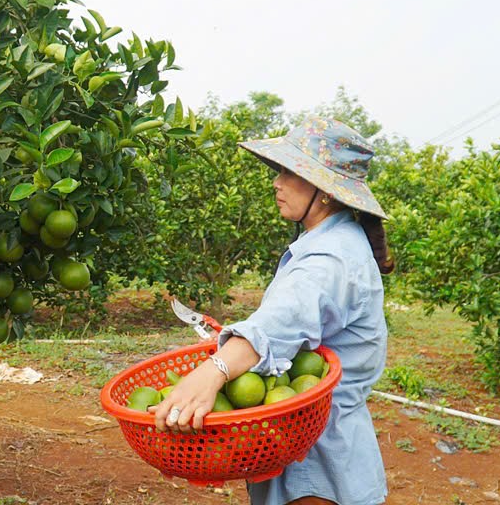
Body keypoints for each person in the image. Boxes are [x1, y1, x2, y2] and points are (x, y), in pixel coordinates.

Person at [153, 117, 392, 505]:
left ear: (325, 191)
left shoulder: (330, 259)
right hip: (308, 443)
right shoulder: (328, 242)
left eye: (288, 171)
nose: (276, 182)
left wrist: (212, 373)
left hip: (319, 467)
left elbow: (281, 323)